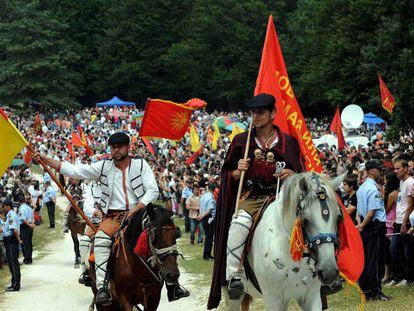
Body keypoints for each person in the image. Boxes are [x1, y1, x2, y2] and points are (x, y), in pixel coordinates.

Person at [34, 132, 189, 306]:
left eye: (120, 146)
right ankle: (102, 288)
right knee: (100, 240)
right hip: (113, 217)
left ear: (128, 147)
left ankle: (173, 284)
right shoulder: (103, 166)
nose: (116, 150)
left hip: (140, 212)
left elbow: (152, 191)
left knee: (163, 232)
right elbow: (75, 170)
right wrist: (46, 159)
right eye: (113, 147)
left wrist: (136, 209)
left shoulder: (141, 164)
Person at [208, 93, 306, 308]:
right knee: (238, 224)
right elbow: (227, 174)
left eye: (260, 112)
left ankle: (318, 274)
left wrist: (291, 174)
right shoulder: (241, 141)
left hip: (280, 197)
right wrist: (237, 172)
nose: (256, 116)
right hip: (251, 197)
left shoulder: (288, 142)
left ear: (273, 114)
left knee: (308, 223)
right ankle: (235, 276)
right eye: (253, 112)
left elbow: (302, 175)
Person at [356, 160, 389, 301]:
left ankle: (366, 290)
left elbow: (359, 212)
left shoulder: (362, 188)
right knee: (375, 262)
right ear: (371, 171)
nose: (381, 171)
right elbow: (371, 212)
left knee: (366, 260)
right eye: (379, 169)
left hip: (365, 226)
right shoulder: (372, 189)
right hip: (373, 227)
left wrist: (360, 225)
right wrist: (363, 226)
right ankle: (376, 292)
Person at [388, 159, 414, 286]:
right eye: (395, 169)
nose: (396, 171)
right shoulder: (402, 182)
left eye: (398, 168)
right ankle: (397, 276)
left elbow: (410, 205)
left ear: (405, 168)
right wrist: (396, 219)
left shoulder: (410, 182)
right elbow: (401, 202)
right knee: (394, 249)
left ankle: (408, 278)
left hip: (406, 221)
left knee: (407, 251)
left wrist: (404, 222)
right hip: (398, 221)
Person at [383, 172, 399, 283]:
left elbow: (387, 209)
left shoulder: (392, 194)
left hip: (390, 221)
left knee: (390, 250)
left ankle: (390, 274)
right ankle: (391, 274)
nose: (384, 182)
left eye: (385, 180)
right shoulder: (397, 192)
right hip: (393, 220)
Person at [1, 198, 21, 291]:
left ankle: (16, 285)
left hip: (11, 241)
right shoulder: (8, 215)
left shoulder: (11, 216)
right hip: (9, 241)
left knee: (13, 263)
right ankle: (13, 283)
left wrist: (18, 240)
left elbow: (14, 230)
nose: (2, 208)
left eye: (3, 206)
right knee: (11, 262)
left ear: (8, 206)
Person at [198, 183, 216, 260]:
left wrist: (201, 216)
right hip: (209, 218)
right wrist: (202, 216)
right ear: (214, 190)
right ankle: (206, 255)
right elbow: (209, 210)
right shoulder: (211, 198)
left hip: (204, 218)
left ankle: (207, 254)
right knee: (209, 237)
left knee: (208, 237)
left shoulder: (204, 196)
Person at [17, 193, 35, 264]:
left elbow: (23, 219)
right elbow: (32, 216)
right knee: (29, 243)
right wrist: (32, 224)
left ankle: (27, 259)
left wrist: (29, 225)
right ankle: (29, 258)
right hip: (30, 226)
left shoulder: (21, 209)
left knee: (25, 244)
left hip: (25, 227)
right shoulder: (28, 207)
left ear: (19, 201)